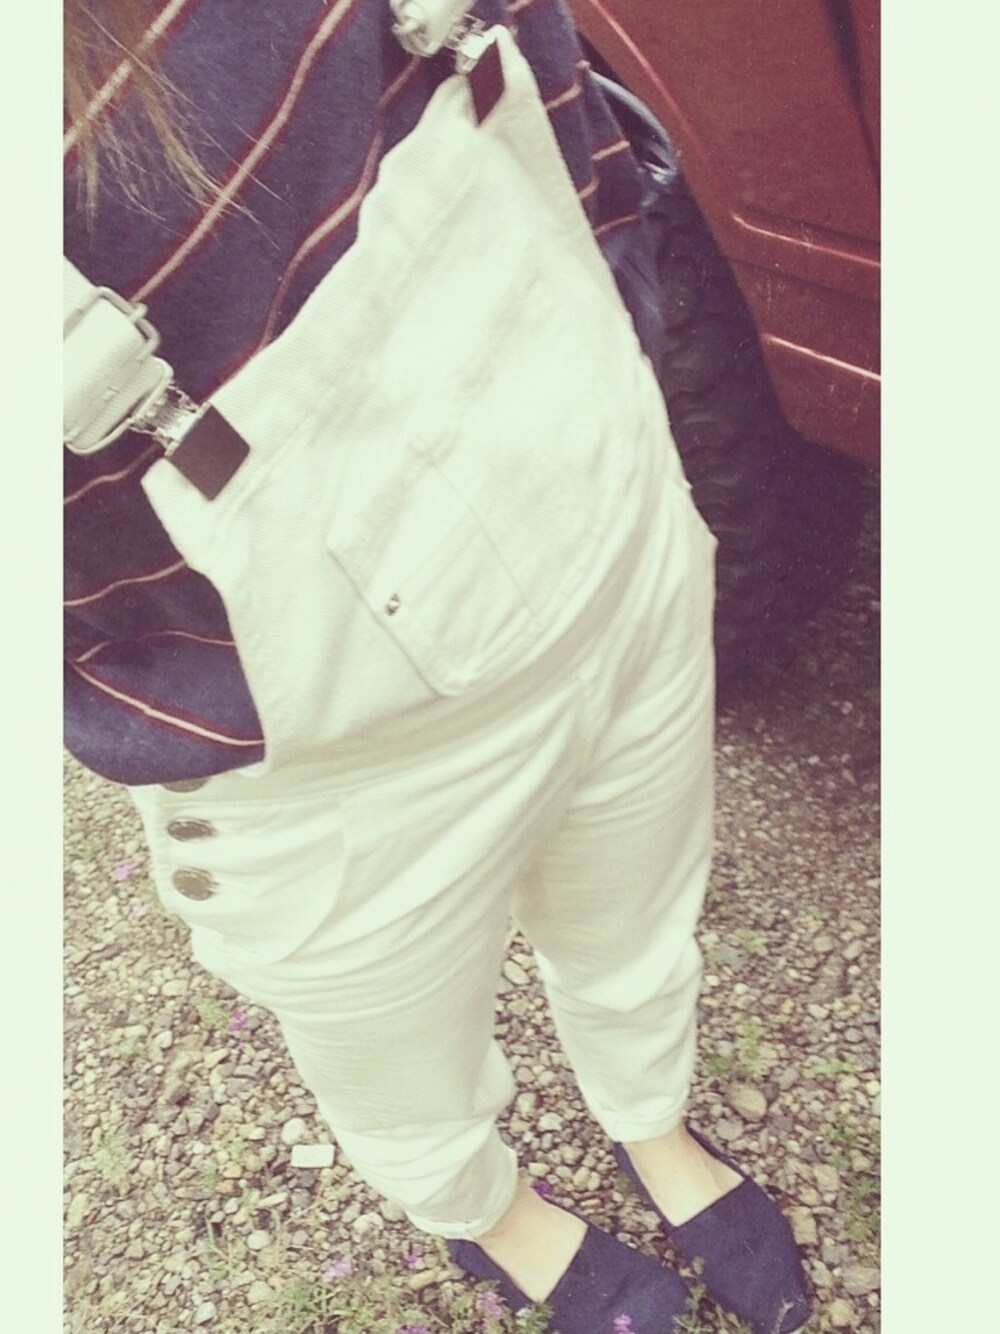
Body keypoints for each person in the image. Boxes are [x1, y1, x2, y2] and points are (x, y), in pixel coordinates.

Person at [64, 3, 811, 1332]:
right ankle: (490, 1214)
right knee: (401, 1070)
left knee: (640, 927)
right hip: (330, 767)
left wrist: (621, 359)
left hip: (614, 534)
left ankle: (649, 1117)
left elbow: (547, 77)